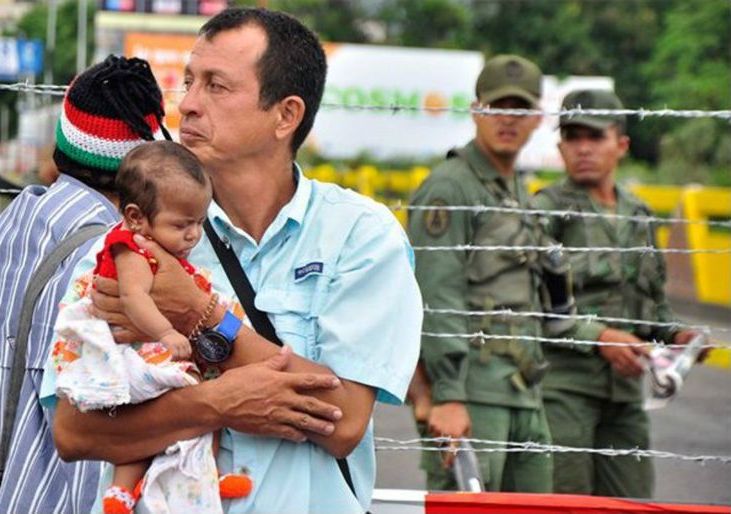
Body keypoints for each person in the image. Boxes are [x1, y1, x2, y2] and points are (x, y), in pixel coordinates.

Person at [43, 7, 422, 514]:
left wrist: (201, 317)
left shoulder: (360, 237)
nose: (188, 106)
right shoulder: (128, 239)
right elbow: (73, 431)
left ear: (286, 115)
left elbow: (345, 421)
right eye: (189, 82)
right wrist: (215, 403)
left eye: (216, 87)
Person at [0, 55, 174, 514]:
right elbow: (94, 407)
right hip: (58, 498)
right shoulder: (112, 258)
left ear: (62, 143)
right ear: (143, 167)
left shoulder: (5, 231)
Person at [406, 55, 608, 493]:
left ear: (537, 117)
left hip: (523, 391)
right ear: (477, 110)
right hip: (473, 394)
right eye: (498, 108)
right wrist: (448, 394)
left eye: (519, 110)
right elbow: (436, 297)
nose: (508, 121)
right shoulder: (451, 188)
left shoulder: (515, 187)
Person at [51, 140, 250, 513]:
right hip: (135, 355)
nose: (193, 234)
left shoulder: (156, 247)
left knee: (194, 413)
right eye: (181, 224)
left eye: (199, 223)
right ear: (136, 215)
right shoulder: (133, 249)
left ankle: (193, 478)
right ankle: (123, 489)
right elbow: (135, 298)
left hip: (147, 351)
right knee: (169, 414)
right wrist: (167, 333)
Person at [532, 89, 702, 498]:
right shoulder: (544, 210)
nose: (583, 148)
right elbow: (530, 302)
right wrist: (601, 338)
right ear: (560, 147)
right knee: (566, 503)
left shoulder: (639, 214)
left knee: (632, 502)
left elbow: (651, 302)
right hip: (564, 389)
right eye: (573, 137)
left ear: (621, 144)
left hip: (626, 393)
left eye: (595, 136)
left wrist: (679, 335)